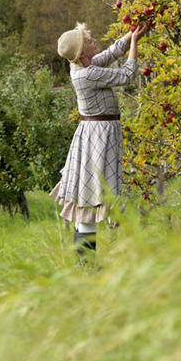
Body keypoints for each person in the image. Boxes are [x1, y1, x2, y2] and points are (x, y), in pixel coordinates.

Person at [51, 21, 149, 260]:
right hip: (98, 137)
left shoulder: (84, 64)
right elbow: (127, 75)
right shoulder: (87, 74)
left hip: (97, 133)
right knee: (88, 196)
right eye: (89, 41)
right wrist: (135, 44)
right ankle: (85, 262)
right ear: (83, 52)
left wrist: (130, 35)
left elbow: (110, 53)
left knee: (88, 195)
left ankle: (85, 263)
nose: (94, 41)